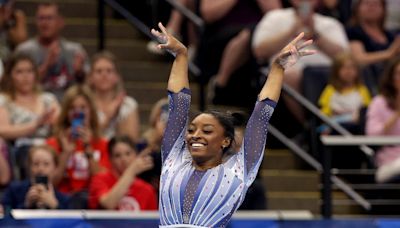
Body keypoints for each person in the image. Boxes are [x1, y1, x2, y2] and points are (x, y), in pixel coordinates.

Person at [151, 22, 314, 227]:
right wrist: (182, 56)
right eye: (191, 130)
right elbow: (178, 104)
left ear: (226, 140)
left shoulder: (238, 172)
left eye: (207, 130)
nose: (195, 135)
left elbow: (261, 115)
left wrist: (277, 68)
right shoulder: (173, 160)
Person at [252, 0, 348, 122]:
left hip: (326, 72)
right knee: (289, 75)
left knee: (347, 73)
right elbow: (260, 51)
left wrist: (315, 34)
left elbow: (344, 55)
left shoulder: (329, 23)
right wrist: (292, 31)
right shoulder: (275, 17)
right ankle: (309, 125)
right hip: (290, 71)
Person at [46, 85, 111, 207]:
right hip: (61, 201)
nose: (78, 112)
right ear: (66, 113)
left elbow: (105, 182)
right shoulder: (53, 143)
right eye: (72, 108)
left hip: (92, 200)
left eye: (83, 107)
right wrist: (65, 154)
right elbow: (49, 183)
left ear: (91, 111)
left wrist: (88, 150)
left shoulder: (103, 144)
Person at [0, 53, 59, 179]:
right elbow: (3, 130)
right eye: (19, 72)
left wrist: (55, 123)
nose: (26, 76)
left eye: (29, 71)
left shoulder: (48, 99)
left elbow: (60, 124)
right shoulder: (4, 101)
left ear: (35, 75)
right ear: (10, 76)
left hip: (50, 147)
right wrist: (35, 125)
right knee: (32, 153)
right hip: (20, 149)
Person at [15, 2, 88, 99]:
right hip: (34, 106)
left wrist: (80, 73)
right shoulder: (24, 51)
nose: (45, 23)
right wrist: (47, 65)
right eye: (41, 18)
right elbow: (15, 85)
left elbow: (90, 86)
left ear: (61, 22)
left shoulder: (75, 51)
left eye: (49, 18)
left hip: (68, 108)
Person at [89, 136, 157, 211]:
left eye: (128, 154)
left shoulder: (147, 189)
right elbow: (108, 204)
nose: (124, 159)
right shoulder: (100, 180)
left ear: (135, 155)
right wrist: (131, 171)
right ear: (110, 159)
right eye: (117, 155)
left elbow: (152, 220)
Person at [346, 0, 400, 93]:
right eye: (367, 3)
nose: (371, 7)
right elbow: (359, 59)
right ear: (357, 8)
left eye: (376, 4)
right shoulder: (353, 32)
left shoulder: (390, 34)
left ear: (383, 9)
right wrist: (389, 53)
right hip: (370, 82)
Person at [87, 51, 140, 142]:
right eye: (99, 71)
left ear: (117, 77)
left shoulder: (128, 104)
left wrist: (117, 114)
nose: (104, 75)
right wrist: (108, 117)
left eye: (109, 71)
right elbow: (85, 138)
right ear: (91, 77)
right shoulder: (84, 104)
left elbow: (132, 141)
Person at [1, 145, 69, 209]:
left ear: (55, 168)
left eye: (46, 164)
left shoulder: (63, 198)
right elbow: (5, 214)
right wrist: (26, 205)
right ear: (29, 167)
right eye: (36, 164)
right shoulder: (14, 191)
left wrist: (55, 206)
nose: (40, 169)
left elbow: (71, 219)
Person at [318, 53, 371, 134]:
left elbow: (367, 112)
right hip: (335, 127)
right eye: (344, 68)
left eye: (352, 68)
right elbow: (324, 113)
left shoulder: (362, 90)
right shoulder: (330, 90)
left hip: (356, 128)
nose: (348, 71)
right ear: (336, 71)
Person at [366, 58, 400, 183]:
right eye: (398, 73)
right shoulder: (379, 103)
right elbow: (372, 136)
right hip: (388, 160)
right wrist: (397, 113)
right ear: (391, 77)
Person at [136, 98, 168, 191]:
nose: (168, 125)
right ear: (155, 120)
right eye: (164, 119)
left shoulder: (186, 150)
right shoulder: (142, 147)